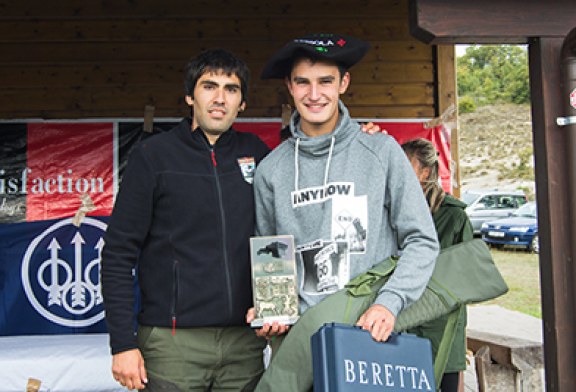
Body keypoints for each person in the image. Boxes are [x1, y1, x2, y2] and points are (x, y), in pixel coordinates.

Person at [246, 33, 439, 388]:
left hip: (367, 338)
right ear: (290, 86)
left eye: (326, 81)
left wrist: (389, 303)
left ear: (344, 83)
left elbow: (422, 239)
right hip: (300, 344)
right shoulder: (271, 171)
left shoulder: (381, 152)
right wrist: (272, 310)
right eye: (303, 82)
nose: (314, 94)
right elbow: (272, 259)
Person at [100, 48, 271, 391]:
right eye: (209, 86)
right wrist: (122, 343)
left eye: (232, 89)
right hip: (172, 343)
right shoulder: (153, 156)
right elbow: (117, 254)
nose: (220, 98)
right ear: (190, 96)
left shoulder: (260, 154)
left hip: (244, 343)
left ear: (243, 103)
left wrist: (361, 136)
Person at [402, 138, 474, 392]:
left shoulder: (454, 216)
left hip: (441, 325)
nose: (398, 170)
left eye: (406, 164)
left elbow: (466, 277)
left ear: (424, 172)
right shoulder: (396, 210)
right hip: (404, 322)